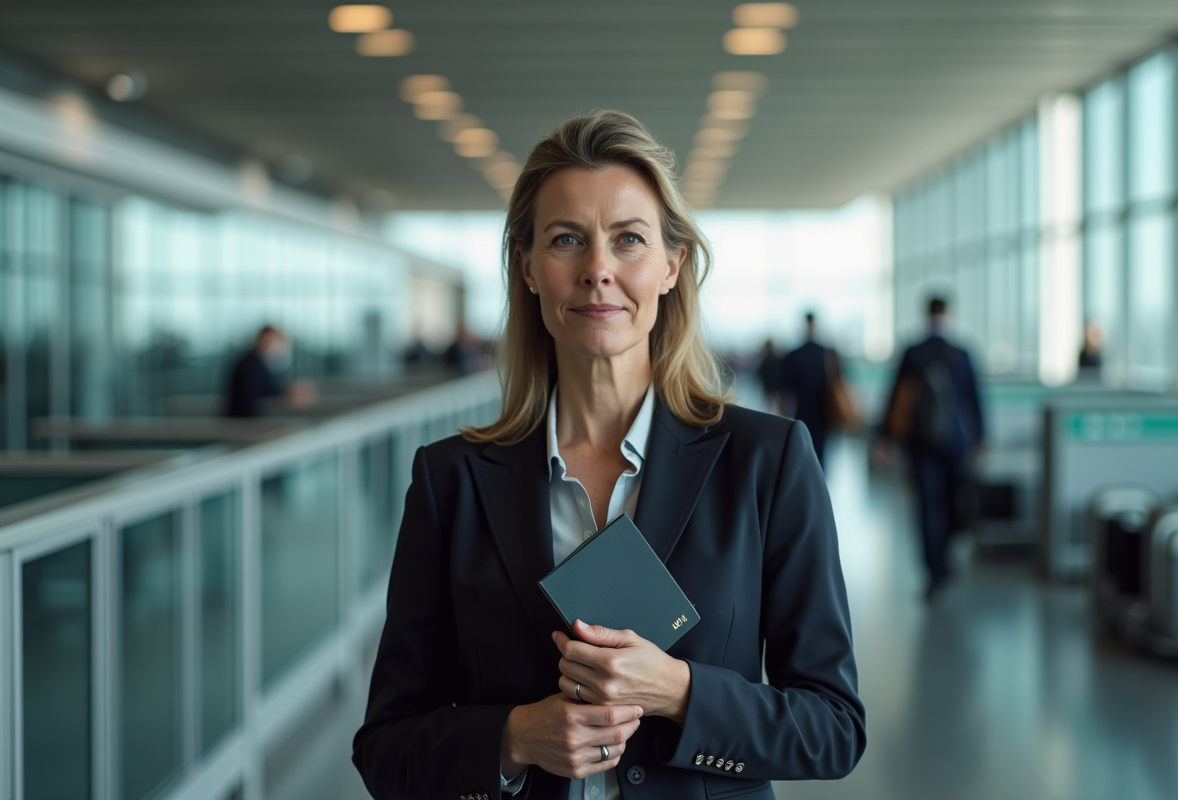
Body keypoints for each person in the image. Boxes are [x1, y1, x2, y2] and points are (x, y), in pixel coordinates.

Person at [353, 111, 865, 800]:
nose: (598, 270)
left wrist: (680, 691)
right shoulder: (452, 481)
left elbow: (833, 727)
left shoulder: (765, 461)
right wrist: (514, 738)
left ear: (671, 265)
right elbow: (385, 749)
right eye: (566, 239)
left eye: (629, 239)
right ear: (528, 267)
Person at [880, 297, 984, 599]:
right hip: (955, 442)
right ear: (948, 315)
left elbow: (896, 398)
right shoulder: (962, 353)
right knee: (952, 500)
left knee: (926, 506)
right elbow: (974, 399)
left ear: (926, 314)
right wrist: (980, 438)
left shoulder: (913, 353)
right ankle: (946, 556)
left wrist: (887, 437)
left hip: (919, 442)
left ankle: (933, 571)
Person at [779, 312, 844, 468]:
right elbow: (839, 381)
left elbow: (785, 391)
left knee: (802, 450)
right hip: (825, 411)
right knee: (821, 452)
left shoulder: (794, 355)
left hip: (802, 412)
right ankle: (819, 478)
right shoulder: (828, 354)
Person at [223, 325, 314, 417]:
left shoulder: (259, 364)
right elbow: (254, 397)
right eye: (275, 342)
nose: (278, 349)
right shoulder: (250, 365)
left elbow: (268, 390)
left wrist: (288, 392)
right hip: (244, 422)